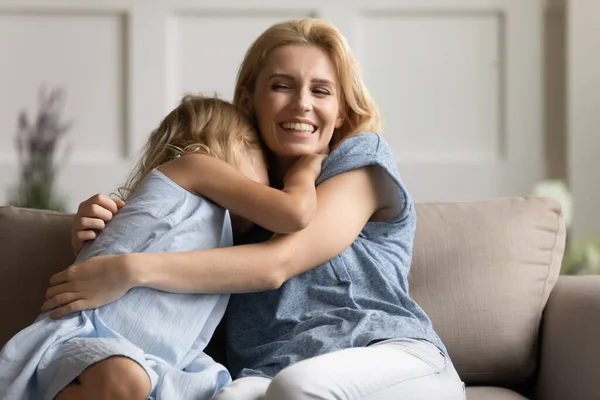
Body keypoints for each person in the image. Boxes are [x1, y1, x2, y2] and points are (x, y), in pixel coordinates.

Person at [43, 18, 466, 399]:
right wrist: (106, 230)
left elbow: (275, 264)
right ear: (249, 100)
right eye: (282, 85)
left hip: (390, 357)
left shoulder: (360, 161)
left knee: (298, 387)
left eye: (321, 91)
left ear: (340, 113)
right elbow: (173, 318)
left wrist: (128, 268)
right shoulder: (231, 207)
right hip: (268, 378)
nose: (302, 103)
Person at [0, 95, 326, 400]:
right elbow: (292, 212)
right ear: (240, 144)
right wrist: (305, 169)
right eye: (267, 168)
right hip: (91, 341)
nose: (267, 183)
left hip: (156, 363)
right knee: (123, 377)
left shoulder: (217, 225)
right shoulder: (194, 167)